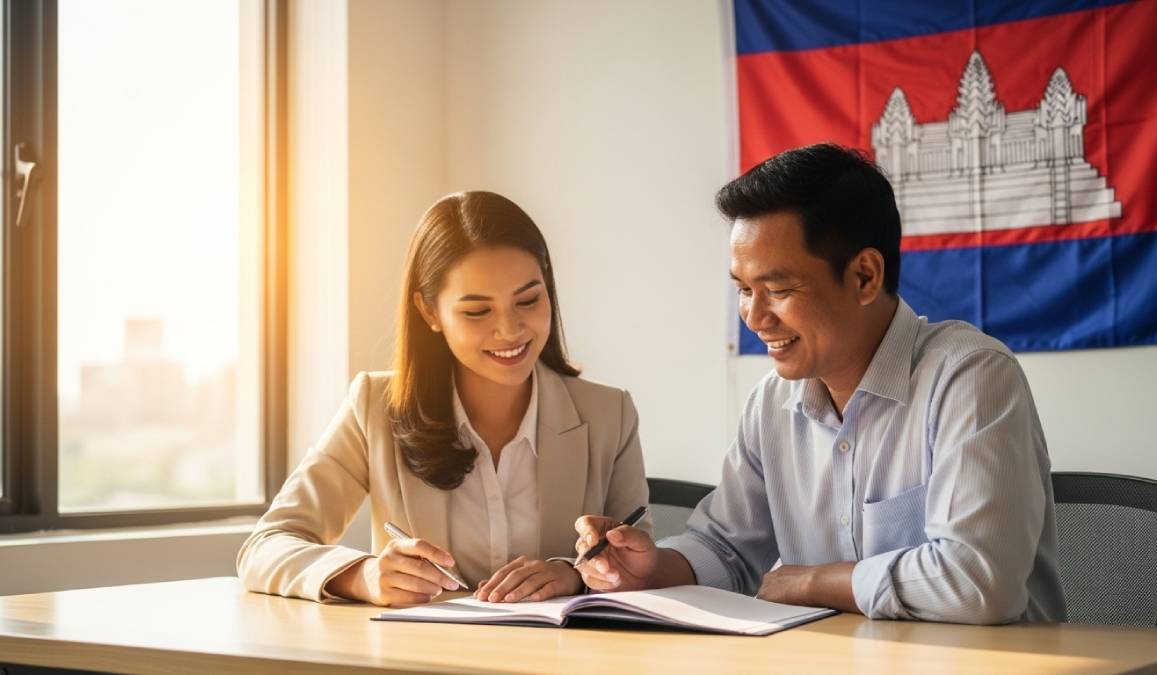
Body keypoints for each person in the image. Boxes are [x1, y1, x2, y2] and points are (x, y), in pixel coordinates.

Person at [574, 144, 1067, 624]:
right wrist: (650, 566)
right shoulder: (772, 402)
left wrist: (815, 583)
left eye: (779, 290)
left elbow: (980, 583)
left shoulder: (971, 376)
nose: (754, 316)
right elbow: (725, 547)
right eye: (744, 290)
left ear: (865, 276)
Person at [238, 191, 650, 606]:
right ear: (430, 312)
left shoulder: (608, 415)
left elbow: (639, 562)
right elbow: (265, 546)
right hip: (423, 660)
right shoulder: (374, 408)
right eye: (477, 312)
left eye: (528, 300)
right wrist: (362, 576)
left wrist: (573, 574)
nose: (510, 330)